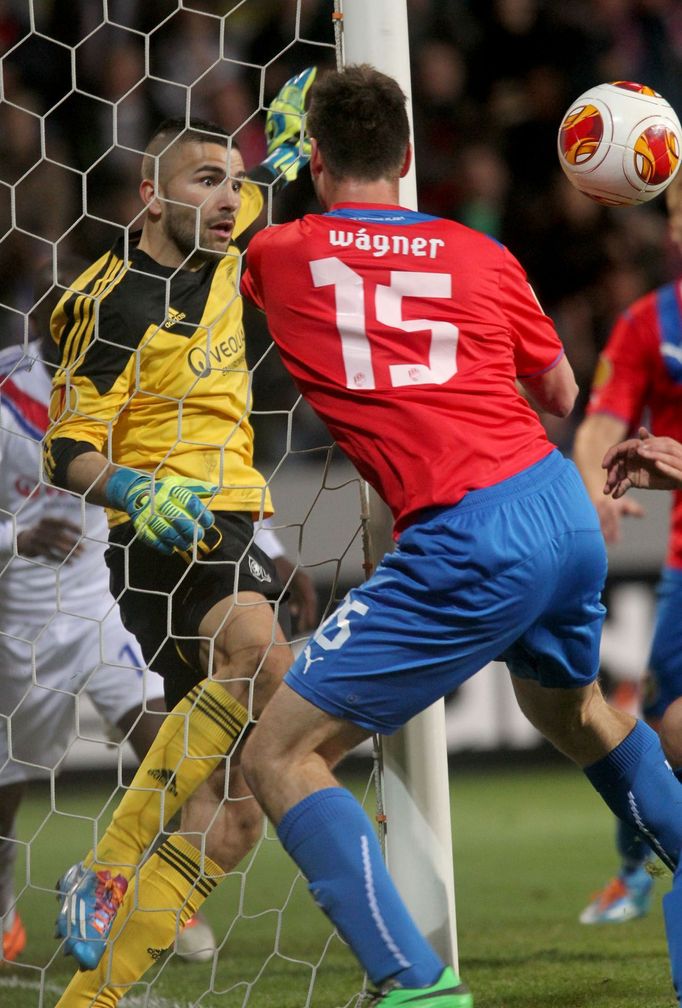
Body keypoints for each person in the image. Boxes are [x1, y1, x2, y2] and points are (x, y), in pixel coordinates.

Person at [238, 64, 682, 1007]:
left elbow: (213, 255)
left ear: (317, 161)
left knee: (279, 754)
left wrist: (265, 172)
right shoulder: (481, 255)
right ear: (407, 159)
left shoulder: (279, 254)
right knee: (574, 713)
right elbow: (564, 396)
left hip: (462, 536)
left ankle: (412, 983)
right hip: (556, 508)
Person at [44, 70, 317, 1005]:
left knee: (236, 813)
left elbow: (267, 183)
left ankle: (95, 995)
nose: (228, 198)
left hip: (241, 523)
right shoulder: (112, 298)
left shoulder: (230, 249)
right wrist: (134, 488)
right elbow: (66, 449)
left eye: (234, 184)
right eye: (206, 181)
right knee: (261, 656)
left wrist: (296, 139)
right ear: (149, 195)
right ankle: (110, 863)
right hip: (163, 532)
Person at [0, 331, 168, 964]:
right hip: (21, 623)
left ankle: (158, 901)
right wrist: (17, 535)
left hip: (105, 602)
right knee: (7, 790)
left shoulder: (123, 377)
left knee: (167, 747)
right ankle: (3, 907)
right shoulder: (6, 388)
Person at [571, 169, 682, 925]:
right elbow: (601, 424)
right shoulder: (650, 321)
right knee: (664, 721)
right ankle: (635, 870)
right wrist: (592, 488)